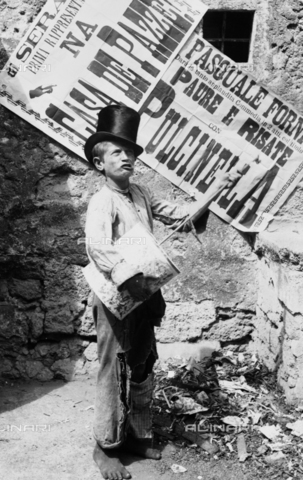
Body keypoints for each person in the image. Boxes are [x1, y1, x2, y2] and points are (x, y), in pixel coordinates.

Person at [84, 105, 241, 480]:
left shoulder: (139, 193)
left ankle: (137, 435)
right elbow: (97, 247)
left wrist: (217, 188)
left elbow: (182, 217)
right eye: (116, 152)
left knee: (141, 364)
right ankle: (104, 446)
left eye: (131, 151)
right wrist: (128, 276)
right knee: (113, 367)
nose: (127, 157)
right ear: (98, 162)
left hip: (143, 296)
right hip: (114, 296)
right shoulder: (102, 201)